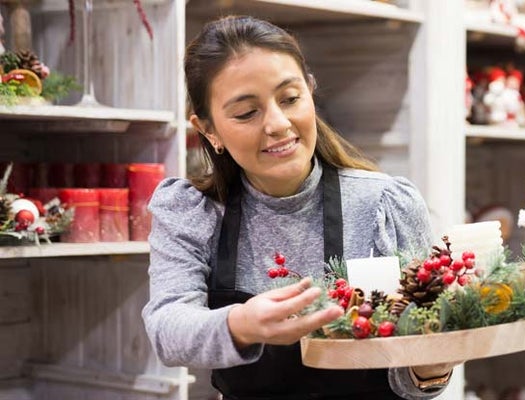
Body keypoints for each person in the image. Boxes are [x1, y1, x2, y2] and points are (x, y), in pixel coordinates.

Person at [142, 15, 455, 399]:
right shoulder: (193, 211)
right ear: (208, 130)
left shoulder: (385, 205)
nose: (277, 123)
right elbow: (168, 330)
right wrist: (243, 324)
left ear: (310, 91)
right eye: (246, 113)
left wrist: (431, 369)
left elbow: (418, 368)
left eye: (290, 99)